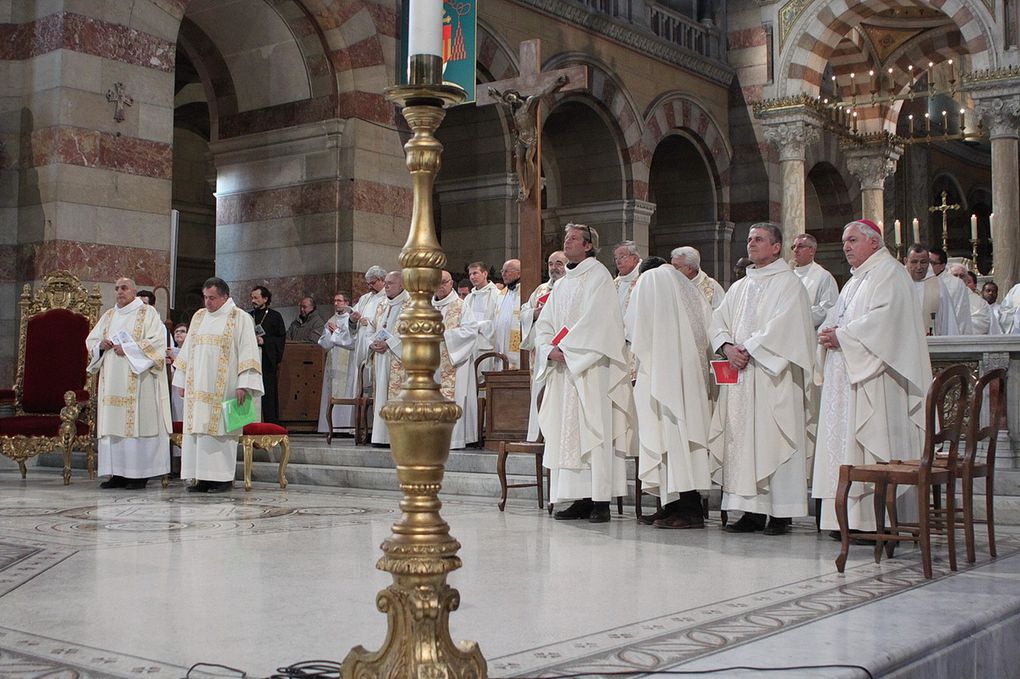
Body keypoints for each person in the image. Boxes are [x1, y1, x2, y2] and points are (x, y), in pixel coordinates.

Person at [814, 219, 931, 534]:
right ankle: (845, 519)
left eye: (852, 240)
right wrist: (828, 334)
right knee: (844, 446)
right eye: (844, 241)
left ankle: (870, 521)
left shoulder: (890, 274)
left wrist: (843, 336)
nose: (846, 247)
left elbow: (886, 323)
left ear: (874, 242)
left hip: (877, 380)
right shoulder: (854, 281)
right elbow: (837, 318)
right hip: (848, 375)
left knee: (870, 443)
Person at [709, 223, 814, 535]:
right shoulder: (741, 286)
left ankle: (781, 513)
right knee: (742, 443)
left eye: (759, 240)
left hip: (773, 378)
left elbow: (787, 326)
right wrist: (727, 347)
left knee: (773, 438)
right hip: (741, 378)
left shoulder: (789, 284)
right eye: (750, 239)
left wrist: (748, 349)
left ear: (776, 247)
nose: (751, 244)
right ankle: (750, 511)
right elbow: (718, 319)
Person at [534, 223, 634, 523]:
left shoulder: (599, 276)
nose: (567, 242)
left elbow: (600, 321)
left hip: (591, 369)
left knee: (594, 429)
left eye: (573, 238)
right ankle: (578, 497)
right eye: (565, 238)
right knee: (568, 434)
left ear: (588, 245)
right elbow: (545, 324)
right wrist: (547, 349)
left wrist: (568, 350)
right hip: (565, 370)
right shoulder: (563, 283)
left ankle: (600, 500)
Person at [626, 260, 713, 529]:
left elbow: (634, 326)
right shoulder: (685, 287)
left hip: (663, 376)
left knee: (672, 443)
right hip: (682, 378)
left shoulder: (653, 280)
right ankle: (671, 505)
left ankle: (690, 511)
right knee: (677, 444)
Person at [172, 277, 264, 493]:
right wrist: (182, 380)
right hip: (197, 388)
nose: (208, 302)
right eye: (205, 297)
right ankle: (201, 478)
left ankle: (221, 479)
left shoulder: (239, 317)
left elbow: (248, 352)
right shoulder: (199, 317)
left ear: (225, 296)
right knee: (199, 433)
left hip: (226, 388)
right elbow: (188, 351)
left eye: (212, 298)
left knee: (221, 433)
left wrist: (244, 383)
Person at [86, 277, 172, 489]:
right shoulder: (109, 315)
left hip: (138, 381)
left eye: (124, 288)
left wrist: (129, 349)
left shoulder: (147, 312)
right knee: (114, 427)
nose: (119, 292)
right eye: (116, 288)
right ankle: (116, 474)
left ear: (134, 291)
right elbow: (91, 341)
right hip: (112, 381)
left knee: (137, 427)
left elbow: (158, 343)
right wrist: (101, 345)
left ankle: (138, 475)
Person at [521, 250, 568, 440]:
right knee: (541, 394)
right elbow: (524, 311)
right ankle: (539, 436)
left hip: (564, 350)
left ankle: (561, 436)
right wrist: (533, 314)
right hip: (542, 354)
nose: (554, 268)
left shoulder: (571, 287)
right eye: (550, 263)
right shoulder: (540, 290)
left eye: (559, 263)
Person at [433, 270, 478, 449]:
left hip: (454, 361)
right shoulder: (426, 306)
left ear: (451, 283)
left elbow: (470, 331)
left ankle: (453, 440)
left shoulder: (461, 306)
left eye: (444, 282)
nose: (440, 286)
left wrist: (445, 335)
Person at [369, 271, 410, 446]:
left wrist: (391, 343)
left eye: (390, 283)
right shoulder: (381, 305)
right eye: (385, 283)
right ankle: (380, 436)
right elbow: (370, 330)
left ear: (402, 285)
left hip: (399, 359)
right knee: (381, 396)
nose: (386, 286)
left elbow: (414, 334)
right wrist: (371, 343)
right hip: (381, 358)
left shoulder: (412, 306)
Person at [345, 266, 388, 426]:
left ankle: (375, 426)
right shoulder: (365, 298)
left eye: (372, 283)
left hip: (377, 347)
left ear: (382, 280)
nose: (369, 286)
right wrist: (354, 319)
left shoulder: (388, 298)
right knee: (362, 385)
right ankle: (362, 426)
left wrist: (368, 322)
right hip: (362, 346)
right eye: (368, 283)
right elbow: (352, 321)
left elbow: (386, 323)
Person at [903, 245, 967, 336]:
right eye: (914, 262)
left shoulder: (937, 285)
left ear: (929, 262)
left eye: (923, 262)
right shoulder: (898, 282)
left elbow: (948, 320)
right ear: (906, 261)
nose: (919, 267)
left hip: (933, 346)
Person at [317, 292, 354, 433]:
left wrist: (337, 332)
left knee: (347, 392)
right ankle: (330, 427)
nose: (336, 303)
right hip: (333, 362)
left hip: (347, 362)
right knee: (331, 393)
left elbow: (352, 340)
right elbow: (325, 344)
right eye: (334, 300)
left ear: (346, 302)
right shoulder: (330, 320)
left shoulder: (351, 319)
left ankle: (345, 428)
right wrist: (331, 334)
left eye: (339, 300)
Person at [250, 286, 286, 423]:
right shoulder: (248, 316)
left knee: (268, 394)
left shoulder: (275, 317)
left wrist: (264, 341)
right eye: (252, 297)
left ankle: (270, 425)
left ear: (265, 299)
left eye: (256, 298)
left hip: (266, 360)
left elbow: (280, 339)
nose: (253, 300)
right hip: (251, 360)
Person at [790, 234, 839, 330]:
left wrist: (795, 318)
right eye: (793, 247)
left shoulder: (824, 277)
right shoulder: (790, 276)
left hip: (811, 333)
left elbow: (827, 309)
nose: (795, 250)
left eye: (800, 246)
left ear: (812, 250)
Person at [929, 247, 974, 335]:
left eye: (932, 263)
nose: (928, 266)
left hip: (949, 331)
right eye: (927, 262)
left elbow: (960, 312)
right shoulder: (923, 281)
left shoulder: (956, 283)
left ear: (942, 266)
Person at [949, 263, 996, 334]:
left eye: (961, 276)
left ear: (966, 279)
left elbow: (981, 323)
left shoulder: (980, 303)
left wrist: (956, 326)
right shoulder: (943, 297)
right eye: (955, 275)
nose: (958, 279)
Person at [493, 259, 522, 369]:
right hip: (501, 343)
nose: (503, 274)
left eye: (507, 271)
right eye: (502, 271)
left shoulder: (526, 292)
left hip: (517, 348)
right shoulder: (501, 294)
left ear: (519, 273)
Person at [612, 241, 642, 316]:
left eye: (622, 257)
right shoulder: (615, 283)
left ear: (635, 258)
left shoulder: (644, 278)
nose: (618, 262)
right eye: (616, 258)